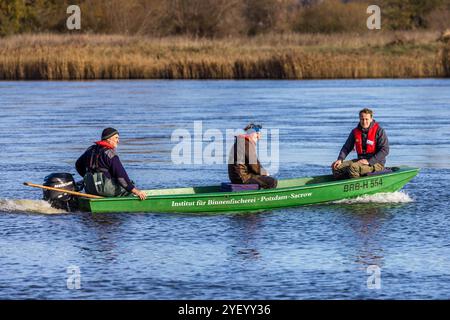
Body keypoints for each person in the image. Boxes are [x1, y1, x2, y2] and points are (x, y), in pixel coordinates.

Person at [75, 128, 147, 200]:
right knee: (129, 186)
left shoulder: (90, 150)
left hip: (89, 188)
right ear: (108, 139)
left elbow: (78, 165)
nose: (118, 141)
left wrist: (88, 177)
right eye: (116, 138)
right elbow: (121, 176)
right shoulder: (110, 154)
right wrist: (136, 191)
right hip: (104, 189)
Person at [331, 108, 389, 179]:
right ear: (359, 119)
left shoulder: (379, 131)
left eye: (366, 119)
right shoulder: (355, 131)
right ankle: (342, 186)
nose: (364, 122)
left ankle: (357, 187)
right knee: (336, 167)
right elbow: (346, 147)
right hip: (360, 161)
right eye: (362, 119)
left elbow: (385, 150)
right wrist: (340, 159)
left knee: (354, 167)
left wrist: (369, 161)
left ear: (371, 119)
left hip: (376, 163)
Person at [228, 123, 277, 189]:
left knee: (260, 177)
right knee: (272, 181)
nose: (259, 136)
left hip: (236, 177)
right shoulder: (246, 144)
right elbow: (254, 165)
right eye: (257, 133)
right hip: (243, 178)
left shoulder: (241, 141)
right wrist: (265, 173)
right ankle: (265, 198)